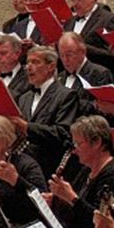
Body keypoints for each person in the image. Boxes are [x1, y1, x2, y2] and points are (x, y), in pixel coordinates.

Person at [13, 45, 81, 177]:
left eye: (35, 62)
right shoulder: (24, 97)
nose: (29, 67)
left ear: (51, 66)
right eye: (27, 63)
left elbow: (63, 133)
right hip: (21, 166)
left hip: (48, 166)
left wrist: (27, 127)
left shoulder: (66, 95)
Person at [0, 115, 46, 227]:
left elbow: (42, 203)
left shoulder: (26, 165)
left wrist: (16, 181)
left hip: (21, 227)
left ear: (5, 138)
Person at [62, 0, 114, 84]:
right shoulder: (69, 22)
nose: (74, 4)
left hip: (100, 81)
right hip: (74, 83)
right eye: (72, 0)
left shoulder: (108, 19)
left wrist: (81, 48)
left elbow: (113, 57)